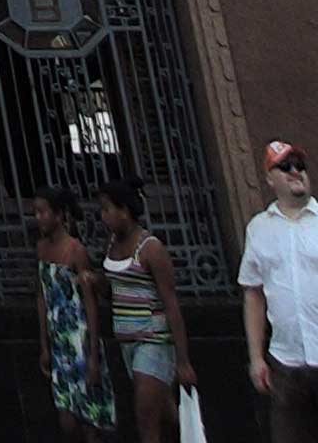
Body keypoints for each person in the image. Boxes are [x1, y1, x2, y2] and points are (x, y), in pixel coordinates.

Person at [96, 178, 193, 443]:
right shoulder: (111, 245)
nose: (103, 216)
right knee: (164, 412)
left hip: (154, 340)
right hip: (127, 340)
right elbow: (111, 291)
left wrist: (183, 361)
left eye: (107, 209)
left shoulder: (150, 248)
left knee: (145, 416)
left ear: (124, 210)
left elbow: (171, 303)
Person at [243, 141, 318, 443]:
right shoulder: (259, 228)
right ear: (269, 179)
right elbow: (253, 293)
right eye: (285, 167)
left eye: (300, 166)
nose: (295, 172)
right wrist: (256, 357)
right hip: (286, 365)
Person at [31, 185, 120, 440]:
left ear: (58, 215)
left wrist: (93, 354)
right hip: (59, 342)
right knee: (66, 418)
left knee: (88, 418)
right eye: (35, 212)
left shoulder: (75, 251)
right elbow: (41, 295)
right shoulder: (41, 250)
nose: (38, 218)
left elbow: (90, 303)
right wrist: (44, 344)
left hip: (78, 340)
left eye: (42, 212)